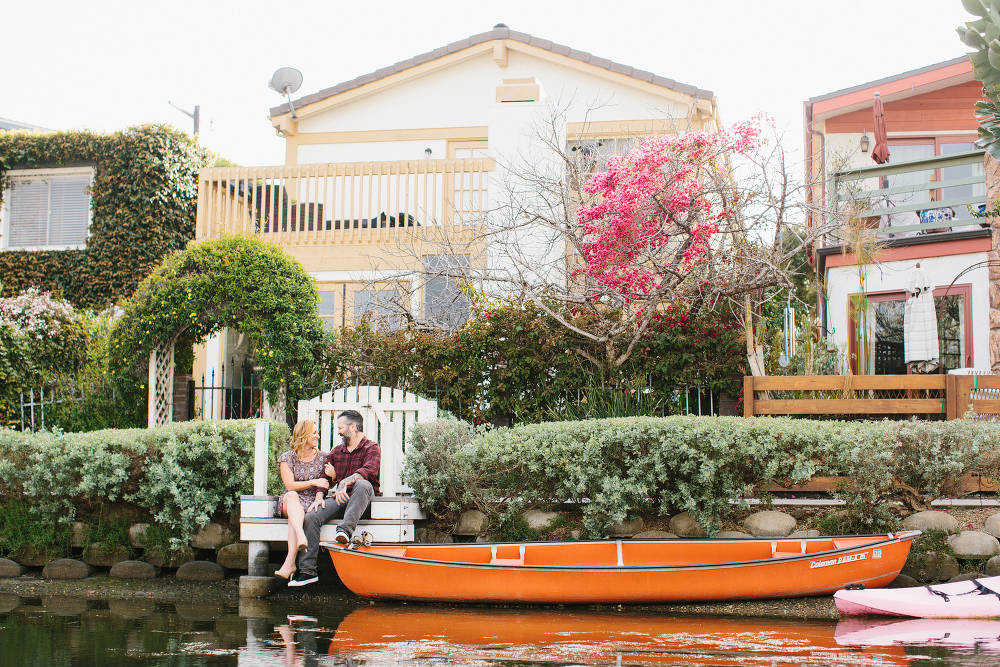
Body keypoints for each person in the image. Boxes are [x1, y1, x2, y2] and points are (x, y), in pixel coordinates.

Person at [288, 409, 380, 587]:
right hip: (342, 500)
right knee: (312, 515)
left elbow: (369, 471)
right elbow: (324, 477)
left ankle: (344, 530)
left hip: (363, 502)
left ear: (353, 427)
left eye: (340, 427)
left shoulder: (372, 448)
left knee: (362, 484)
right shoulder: (337, 451)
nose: (337, 432)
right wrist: (319, 497)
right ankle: (308, 572)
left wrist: (344, 480)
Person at [274, 420, 330, 580]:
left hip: (311, 502)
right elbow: (290, 485)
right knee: (291, 497)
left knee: (294, 519)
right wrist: (313, 482)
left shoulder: (324, 458)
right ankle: (301, 535)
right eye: (314, 433)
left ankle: (289, 563)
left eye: (317, 432)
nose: (317, 436)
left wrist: (332, 475)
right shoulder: (287, 457)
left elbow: (328, 481)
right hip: (290, 501)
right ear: (303, 435)